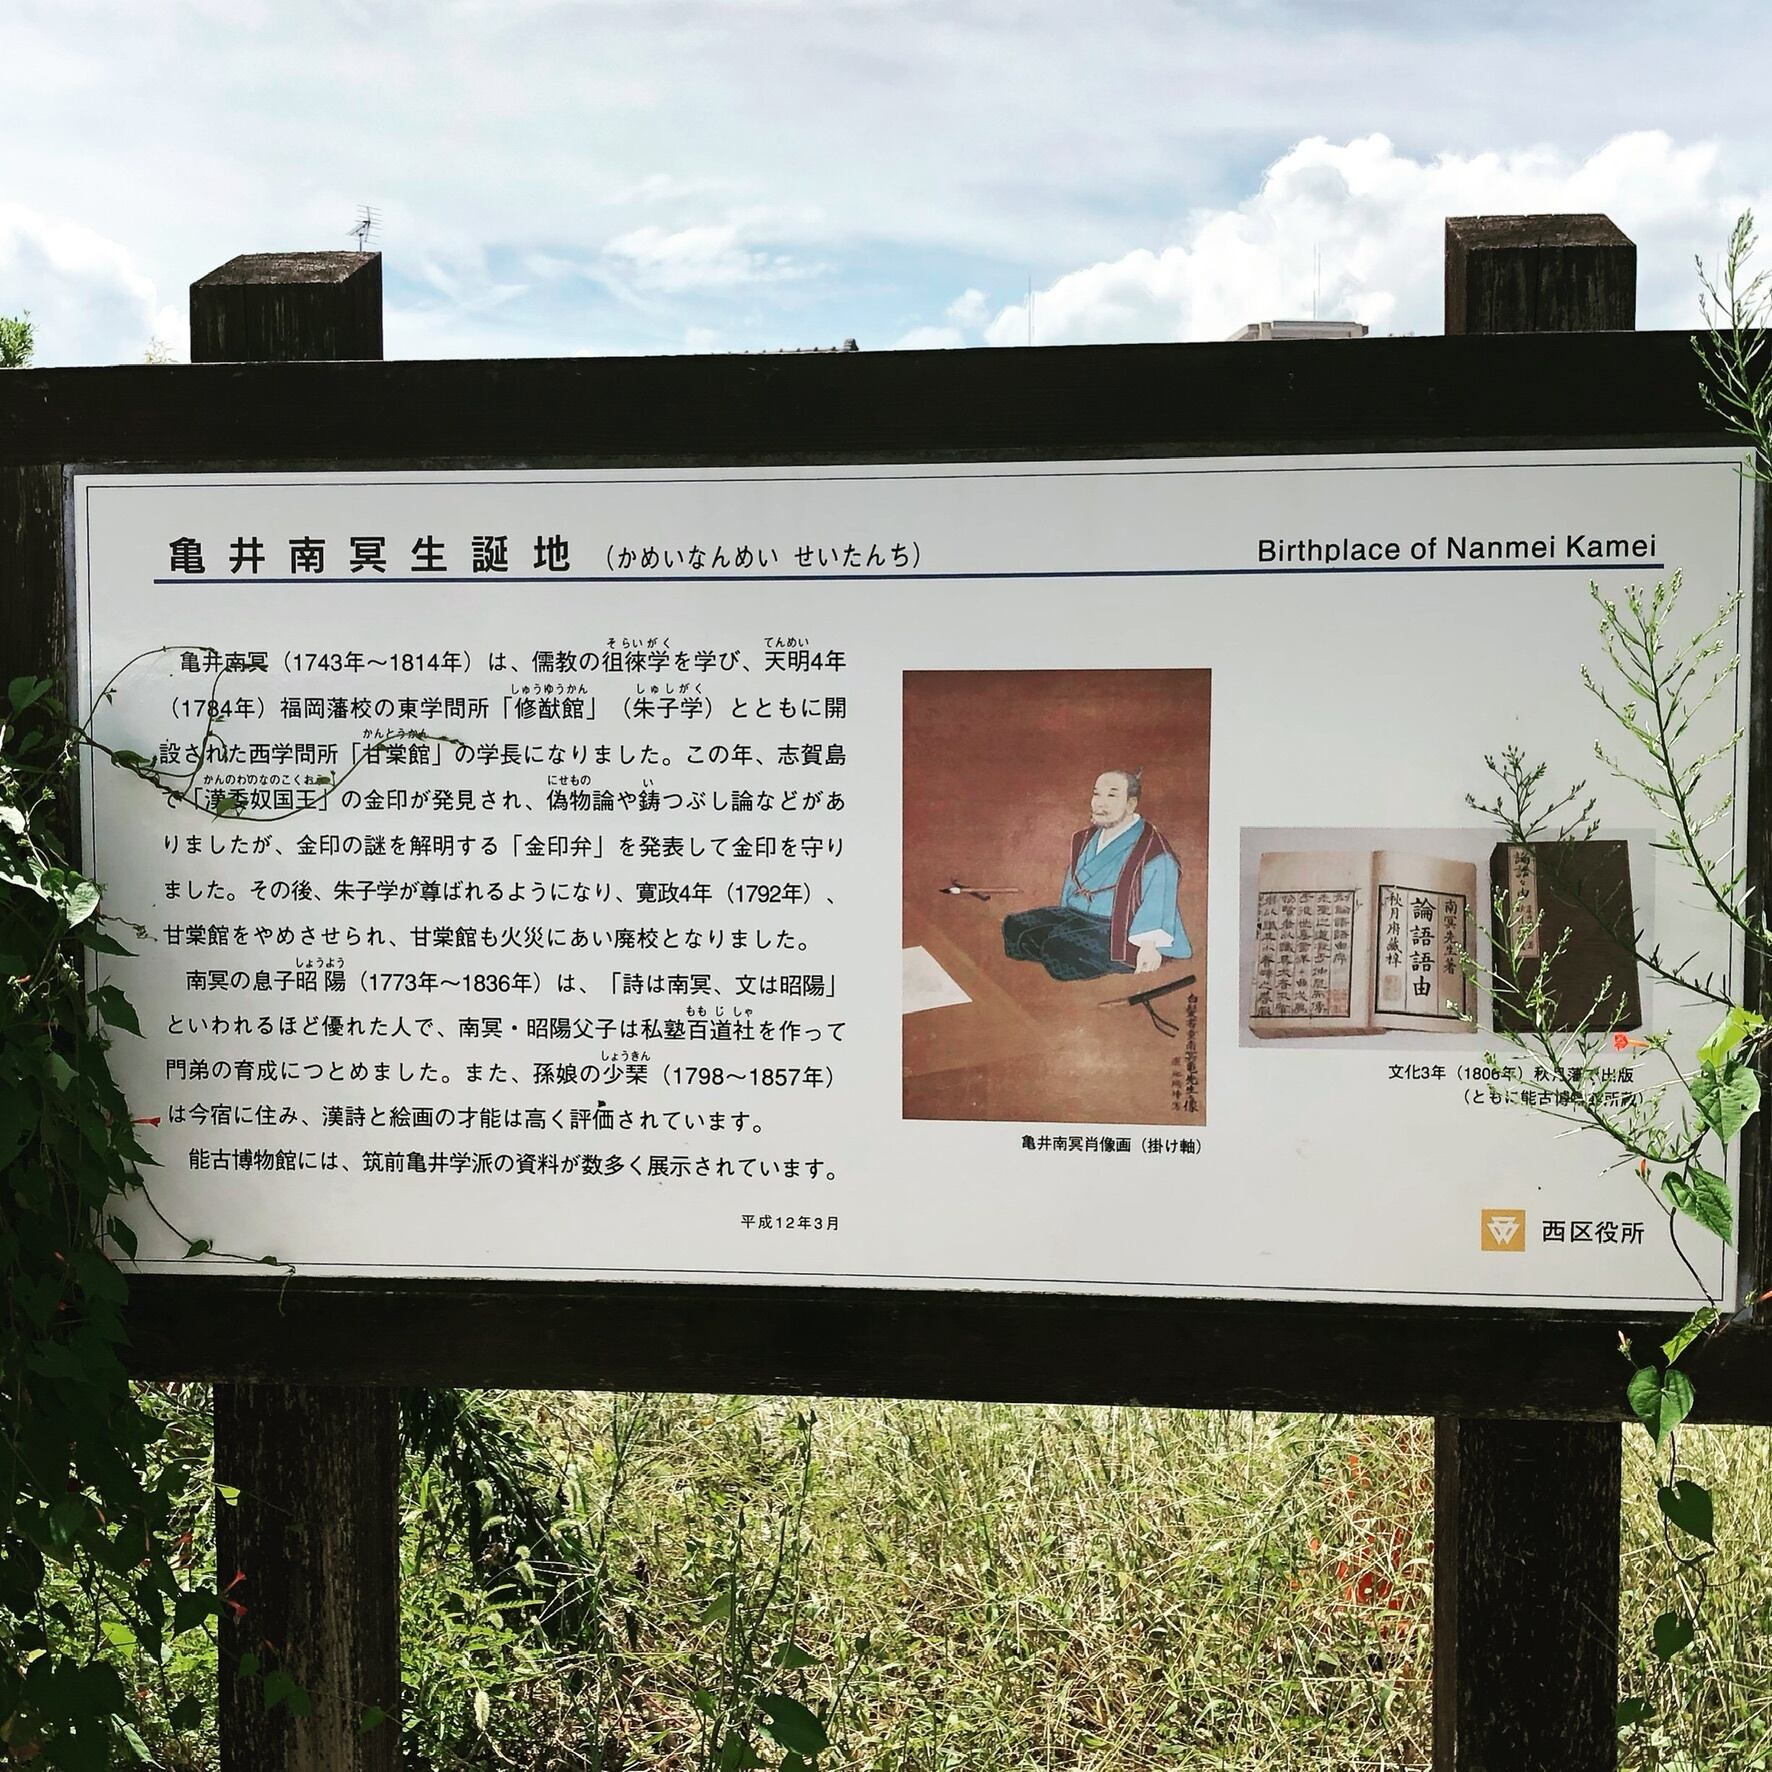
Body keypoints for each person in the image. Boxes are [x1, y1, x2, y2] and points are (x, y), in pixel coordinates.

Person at [1001, 768, 1190, 982]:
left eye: (1111, 795)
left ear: (1131, 804)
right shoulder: (1086, 838)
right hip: (1077, 914)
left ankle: (1059, 949)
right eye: (1097, 794)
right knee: (1014, 926)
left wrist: (1148, 945)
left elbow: (1160, 896)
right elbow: (1073, 882)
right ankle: (1059, 946)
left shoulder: (1152, 848)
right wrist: (1061, 916)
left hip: (1119, 926)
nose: (1100, 803)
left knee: (1058, 949)